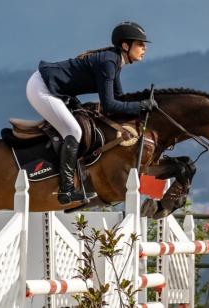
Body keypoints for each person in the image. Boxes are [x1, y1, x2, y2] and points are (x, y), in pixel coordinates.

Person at [26, 21, 158, 205]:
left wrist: (143, 104)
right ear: (125, 46)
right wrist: (141, 106)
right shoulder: (108, 62)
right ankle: (66, 190)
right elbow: (110, 105)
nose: (144, 49)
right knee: (74, 131)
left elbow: (119, 99)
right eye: (140, 44)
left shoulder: (114, 61)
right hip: (42, 88)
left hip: (53, 89)